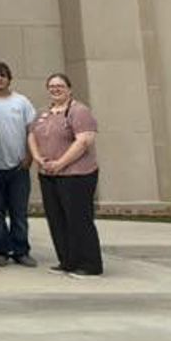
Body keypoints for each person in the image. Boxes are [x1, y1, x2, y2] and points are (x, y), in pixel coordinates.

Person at [28, 73, 103, 277]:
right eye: (51, 86)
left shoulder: (79, 111)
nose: (55, 89)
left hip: (76, 175)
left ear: (69, 88)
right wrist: (37, 158)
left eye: (60, 85)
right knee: (57, 219)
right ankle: (67, 261)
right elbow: (32, 135)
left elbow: (84, 141)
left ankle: (89, 264)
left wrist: (60, 163)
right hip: (49, 174)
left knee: (78, 219)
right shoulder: (43, 112)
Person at [0, 61, 38, 267]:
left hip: (18, 167)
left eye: (3, 75)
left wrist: (30, 157)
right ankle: (0, 250)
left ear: (9, 78)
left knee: (19, 212)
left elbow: (32, 131)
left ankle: (21, 250)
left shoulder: (21, 102)